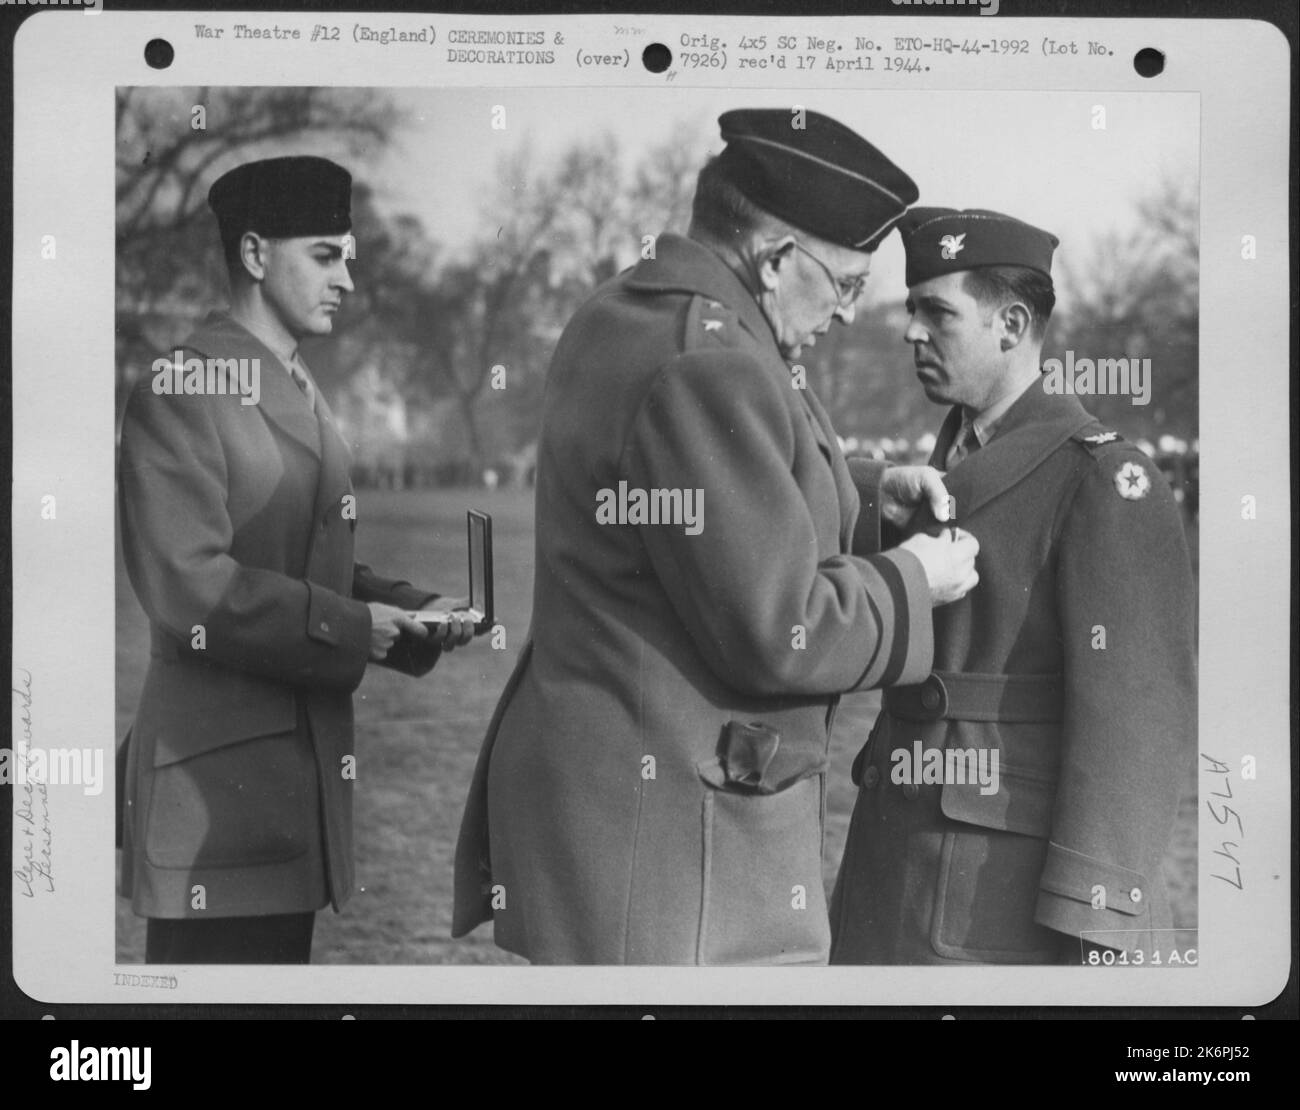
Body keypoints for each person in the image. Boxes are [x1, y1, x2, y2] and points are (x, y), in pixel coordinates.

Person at [452, 110, 980, 965]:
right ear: (775, 261)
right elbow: (779, 629)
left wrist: (874, 499)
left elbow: (710, 510)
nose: (850, 314)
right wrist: (910, 578)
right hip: (673, 837)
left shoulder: (638, 313)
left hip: (617, 808)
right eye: (846, 284)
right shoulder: (711, 361)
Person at [117, 155, 476, 964]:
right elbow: (190, 586)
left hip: (284, 789)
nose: (348, 277)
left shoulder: (294, 384)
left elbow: (306, 555)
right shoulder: (184, 386)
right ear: (253, 255)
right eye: (325, 254)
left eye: (348, 255)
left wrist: (413, 612)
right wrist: (354, 628)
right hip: (216, 800)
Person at [829, 208, 1196, 964]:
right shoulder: (938, 465)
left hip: (995, 894)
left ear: (1012, 324)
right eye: (911, 310)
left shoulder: (1101, 477)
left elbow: (1137, 714)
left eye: (937, 312)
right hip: (893, 854)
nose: (911, 332)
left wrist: (1096, 908)